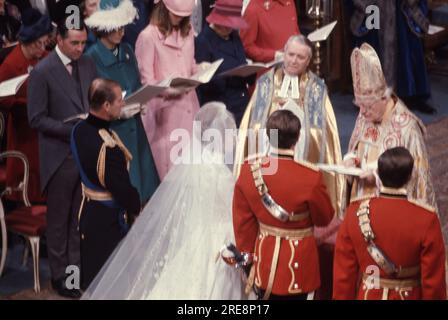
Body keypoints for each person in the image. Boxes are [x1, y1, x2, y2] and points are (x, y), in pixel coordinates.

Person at [82, 102, 246, 300]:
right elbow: (232, 206)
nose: (234, 138)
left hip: (194, 234)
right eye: (230, 132)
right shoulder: (219, 172)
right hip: (219, 237)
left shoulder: (192, 162)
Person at [235, 35, 343, 218]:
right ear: (283, 54)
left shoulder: (316, 88)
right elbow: (252, 126)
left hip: (300, 157)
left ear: (308, 61)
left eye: (300, 57)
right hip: (268, 154)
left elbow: (321, 133)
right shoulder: (266, 83)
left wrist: (297, 115)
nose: (294, 61)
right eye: (290, 54)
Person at [27, 18, 97, 298]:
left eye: (83, 43)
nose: (81, 48)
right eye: (75, 43)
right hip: (58, 155)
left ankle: (75, 274)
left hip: (84, 154)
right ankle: (60, 276)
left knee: (78, 221)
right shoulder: (42, 72)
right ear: (59, 40)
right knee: (59, 221)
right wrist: (72, 129)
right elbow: (36, 118)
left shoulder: (88, 64)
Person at [232, 110, 334, 300]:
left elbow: (243, 223)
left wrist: (248, 259)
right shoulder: (310, 176)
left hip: (265, 264)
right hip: (300, 267)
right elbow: (324, 218)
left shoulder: (248, 171)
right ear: (298, 138)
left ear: (269, 137)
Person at [333, 147, 446, 300]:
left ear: (378, 173)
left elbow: (344, 275)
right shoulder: (426, 218)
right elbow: (433, 283)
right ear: (410, 177)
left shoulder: (354, 212)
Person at [345, 43, 437, 211]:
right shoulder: (366, 112)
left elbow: (417, 179)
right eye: (360, 106)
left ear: (384, 98)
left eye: (368, 107)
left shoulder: (408, 128)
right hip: (360, 200)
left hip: (391, 209)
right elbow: (356, 147)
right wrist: (350, 159)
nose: (363, 113)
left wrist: (378, 175)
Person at [84, 0, 160, 205]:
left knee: (146, 193)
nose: (121, 32)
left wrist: (141, 99)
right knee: (126, 196)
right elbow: (92, 103)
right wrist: (117, 112)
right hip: (115, 136)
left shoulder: (127, 50)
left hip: (137, 131)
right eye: (116, 27)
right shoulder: (91, 59)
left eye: (123, 26)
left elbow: (135, 84)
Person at [71, 78, 141, 290]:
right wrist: (136, 207)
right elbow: (121, 190)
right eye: (120, 100)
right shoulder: (107, 148)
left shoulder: (79, 129)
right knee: (111, 285)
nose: (123, 103)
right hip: (107, 223)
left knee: (93, 281)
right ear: (106, 106)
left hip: (88, 214)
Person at [135, 0, 201, 179]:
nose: (180, 18)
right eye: (176, 14)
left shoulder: (187, 32)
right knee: (171, 176)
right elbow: (147, 81)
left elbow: (190, 64)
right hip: (165, 114)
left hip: (190, 106)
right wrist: (170, 90)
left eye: (184, 16)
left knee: (191, 173)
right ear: (163, 8)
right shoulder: (148, 36)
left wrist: (200, 71)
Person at [0, 8, 52, 204]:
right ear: (26, 41)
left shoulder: (46, 58)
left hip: (46, 131)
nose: (42, 49)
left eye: (44, 43)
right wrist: (27, 105)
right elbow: (2, 99)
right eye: (38, 44)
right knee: (27, 184)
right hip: (25, 133)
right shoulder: (11, 64)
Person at [348, 0, 435, 114]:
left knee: (407, 45)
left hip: (402, 8)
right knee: (373, 47)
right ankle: (374, 97)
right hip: (375, 9)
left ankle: (412, 95)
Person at [195, 0, 254, 126]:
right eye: (226, 24)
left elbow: (242, 62)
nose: (229, 28)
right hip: (221, 111)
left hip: (242, 104)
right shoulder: (203, 41)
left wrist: (250, 70)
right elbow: (203, 84)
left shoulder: (234, 37)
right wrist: (227, 76)